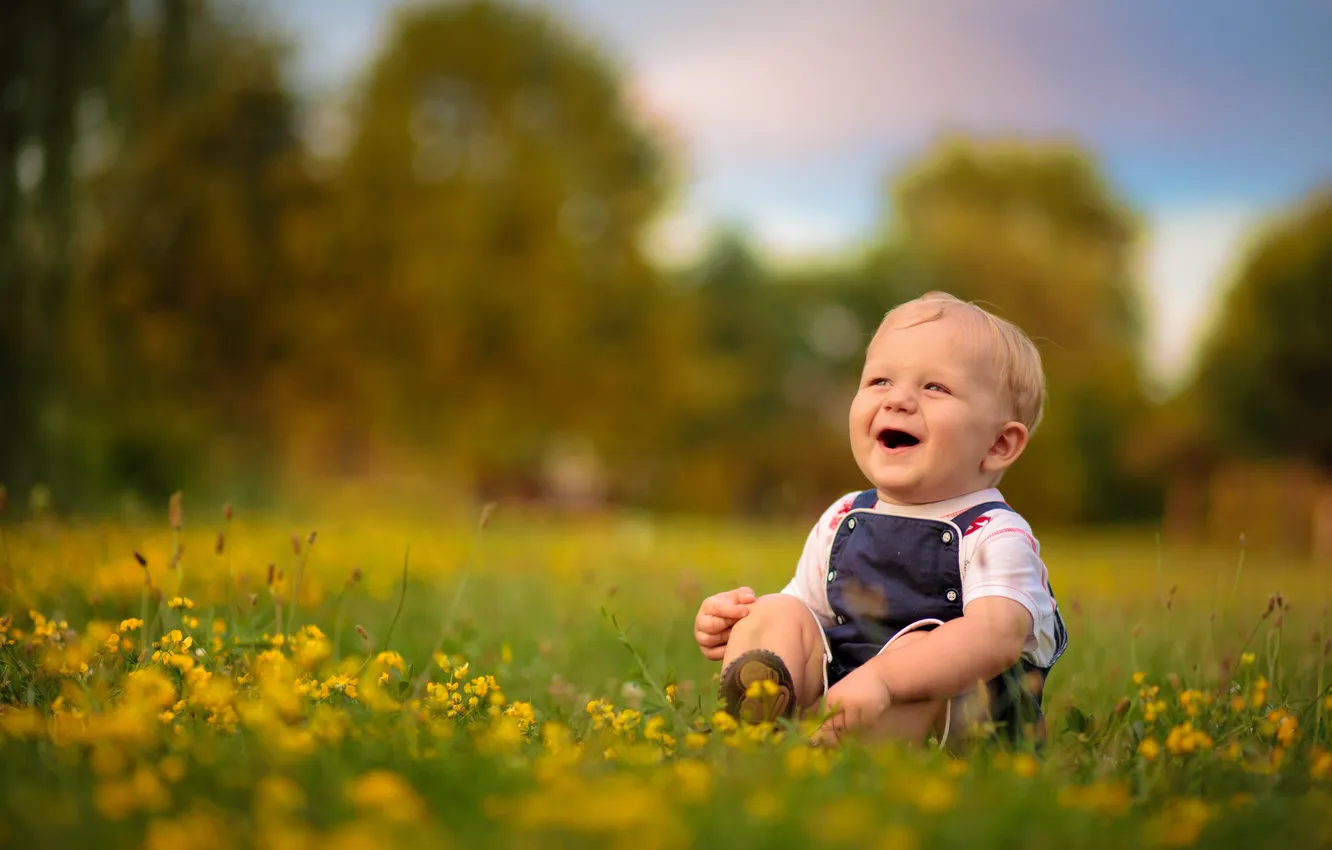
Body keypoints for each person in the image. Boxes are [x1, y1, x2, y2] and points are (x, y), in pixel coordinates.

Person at [693, 291, 1067, 747]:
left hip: (960, 725)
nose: (899, 401)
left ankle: (822, 748)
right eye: (880, 381)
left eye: (935, 388)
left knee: (926, 644)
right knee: (778, 610)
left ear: (998, 445)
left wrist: (886, 680)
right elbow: (811, 616)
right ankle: (762, 711)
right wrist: (739, 625)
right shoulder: (844, 517)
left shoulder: (994, 535)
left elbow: (997, 635)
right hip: (848, 697)